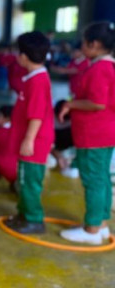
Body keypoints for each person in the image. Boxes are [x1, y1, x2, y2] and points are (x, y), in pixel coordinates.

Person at [58, 22, 115, 245]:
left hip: (95, 134)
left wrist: (71, 105)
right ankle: (100, 224)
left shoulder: (99, 68)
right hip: (105, 132)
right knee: (101, 179)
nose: (81, 45)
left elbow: (97, 103)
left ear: (95, 44)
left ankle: (91, 230)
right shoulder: (108, 66)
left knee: (93, 180)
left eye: (84, 41)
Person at [3, 31, 54, 234]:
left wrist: (29, 140)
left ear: (23, 56)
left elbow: (36, 115)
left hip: (35, 142)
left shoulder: (38, 81)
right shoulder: (33, 77)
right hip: (30, 140)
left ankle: (34, 219)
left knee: (29, 182)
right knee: (23, 179)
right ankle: (24, 215)